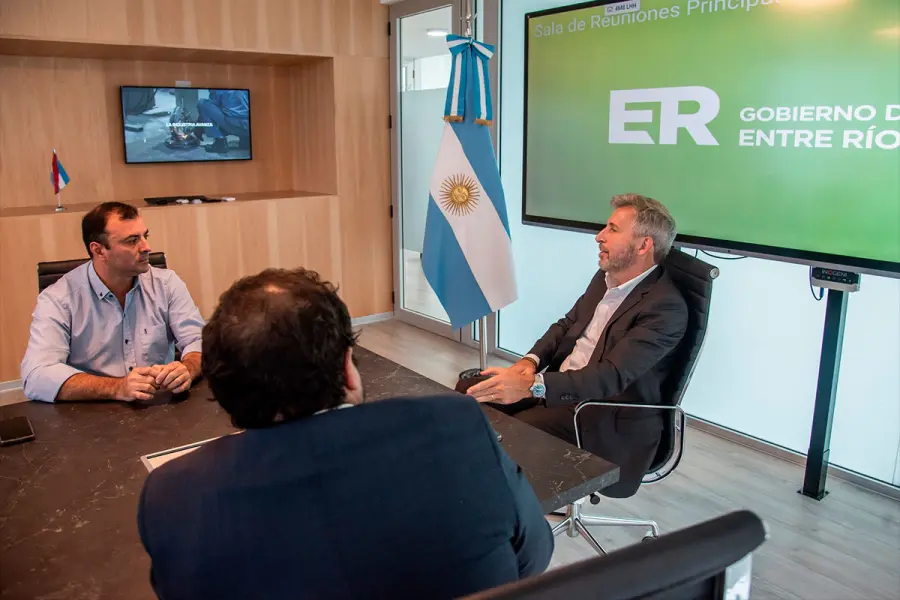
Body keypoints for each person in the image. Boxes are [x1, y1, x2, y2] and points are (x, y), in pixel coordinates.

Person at [137, 268, 553, 600]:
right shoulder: (456, 425)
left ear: (225, 392)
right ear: (347, 369)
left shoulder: (174, 495)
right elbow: (533, 557)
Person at [467, 194, 688, 498]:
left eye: (613, 229)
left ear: (643, 245)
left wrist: (532, 386)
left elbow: (609, 377)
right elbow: (567, 324)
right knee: (469, 393)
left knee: (513, 432)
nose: (599, 236)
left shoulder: (665, 309)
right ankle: (466, 489)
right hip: (559, 389)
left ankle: (506, 510)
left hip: (600, 415)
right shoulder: (606, 277)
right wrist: (528, 363)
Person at [20, 202, 204, 403]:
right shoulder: (59, 299)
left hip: (159, 406)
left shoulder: (167, 284)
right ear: (99, 251)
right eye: (132, 241)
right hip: (91, 412)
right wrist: (117, 387)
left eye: (145, 236)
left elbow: (200, 341)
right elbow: (36, 376)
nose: (146, 247)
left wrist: (187, 368)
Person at [196, 89, 250, 154]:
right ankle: (246, 140)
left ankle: (220, 143)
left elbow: (210, 109)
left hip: (233, 125)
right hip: (250, 127)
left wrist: (198, 126)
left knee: (202, 103)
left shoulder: (219, 87)